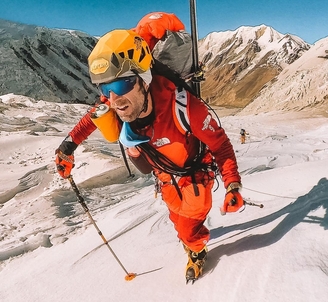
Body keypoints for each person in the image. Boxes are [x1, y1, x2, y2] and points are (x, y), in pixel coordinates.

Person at [54, 29, 243, 282]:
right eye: (106, 87)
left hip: (194, 178)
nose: (114, 99)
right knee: (177, 220)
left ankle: (197, 250)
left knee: (188, 229)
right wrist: (67, 148)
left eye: (121, 84)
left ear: (144, 79)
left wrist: (232, 184)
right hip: (165, 178)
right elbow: (92, 117)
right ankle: (190, 238)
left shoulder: (185, 108)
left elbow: (220, 145)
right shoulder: (116, 99)